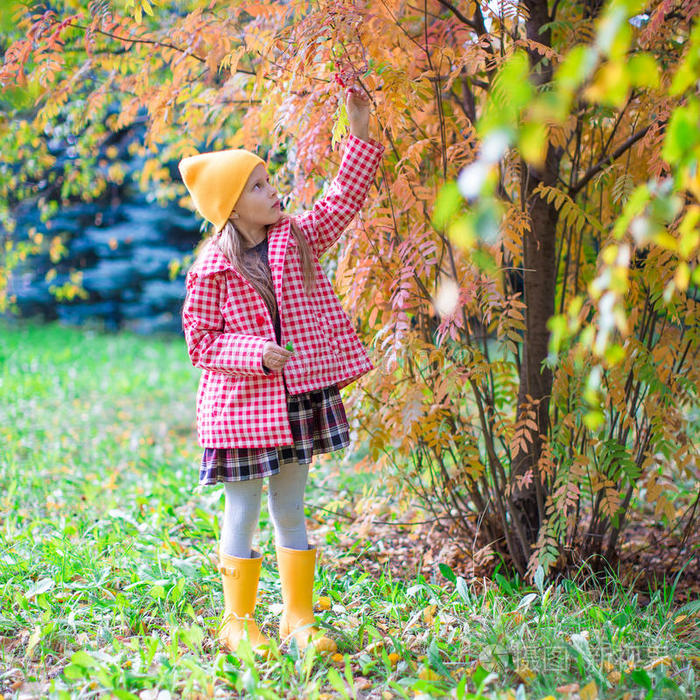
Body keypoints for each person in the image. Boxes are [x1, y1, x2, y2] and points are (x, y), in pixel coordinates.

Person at [178, 84, 385, 656]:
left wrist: (360, 128)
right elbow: (201, 343)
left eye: (271, 182)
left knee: (291, 506)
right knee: (241, 506)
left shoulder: (294, 237)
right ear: (231, 205)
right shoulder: (210, 271)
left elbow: (342, 200)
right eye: (260, 187)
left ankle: (298, 620)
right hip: (241, 409)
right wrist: (253, 353)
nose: (275, 193)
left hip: (294, 400)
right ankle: (238, 622)